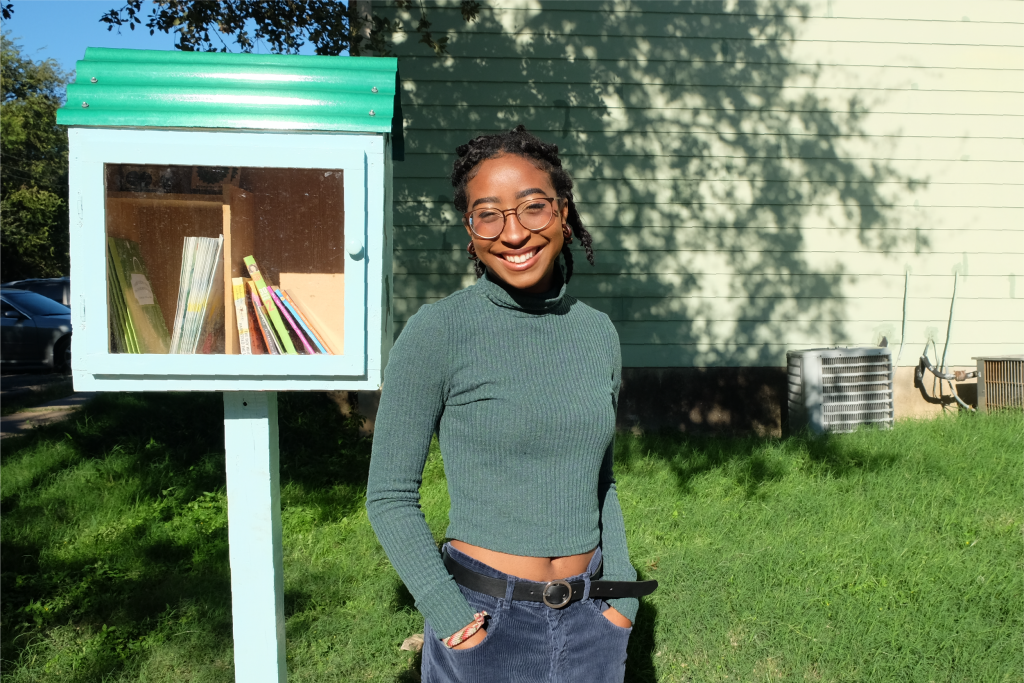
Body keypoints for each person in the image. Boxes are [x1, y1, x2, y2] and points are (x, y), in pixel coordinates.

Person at [366, 125, 655, 683]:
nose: (514, 233)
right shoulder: (438, 331)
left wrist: (621, 601)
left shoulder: (597, 333)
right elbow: (390, 495)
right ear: (470, 231)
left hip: (594, 616)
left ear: (563, 213)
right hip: (484, 620)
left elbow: (602, 480)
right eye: (488, 214)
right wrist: (450, 615)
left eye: (533, 208)